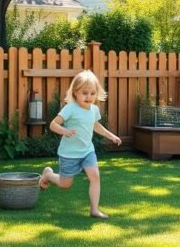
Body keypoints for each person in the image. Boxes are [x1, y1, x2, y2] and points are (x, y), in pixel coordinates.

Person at [39, 70, 121, 219]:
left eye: (92, 93)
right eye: (85, 93)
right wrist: (64, 130)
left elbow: (96, 126)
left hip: (87, 152)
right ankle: (48, 175)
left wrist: (111, 136)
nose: (89, 97)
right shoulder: (70, 108)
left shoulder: (94, 110)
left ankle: (94, 210)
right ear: (76, 92)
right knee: (65, 184)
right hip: (69, 154)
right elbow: (53, 124)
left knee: (95, 176)